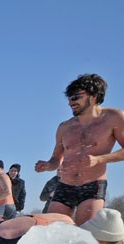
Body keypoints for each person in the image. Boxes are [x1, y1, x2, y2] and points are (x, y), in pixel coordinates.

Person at [35, 74, 124, 225]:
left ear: (94, 95)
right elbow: (56, 159)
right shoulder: (65, 127)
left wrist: (99, 159)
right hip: (64, 185)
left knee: (87, 234)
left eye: (76, 97)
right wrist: (47, 166)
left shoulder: (114, 117)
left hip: (92, 185)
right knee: (52, 232)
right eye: (69, 98)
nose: (71, 102)